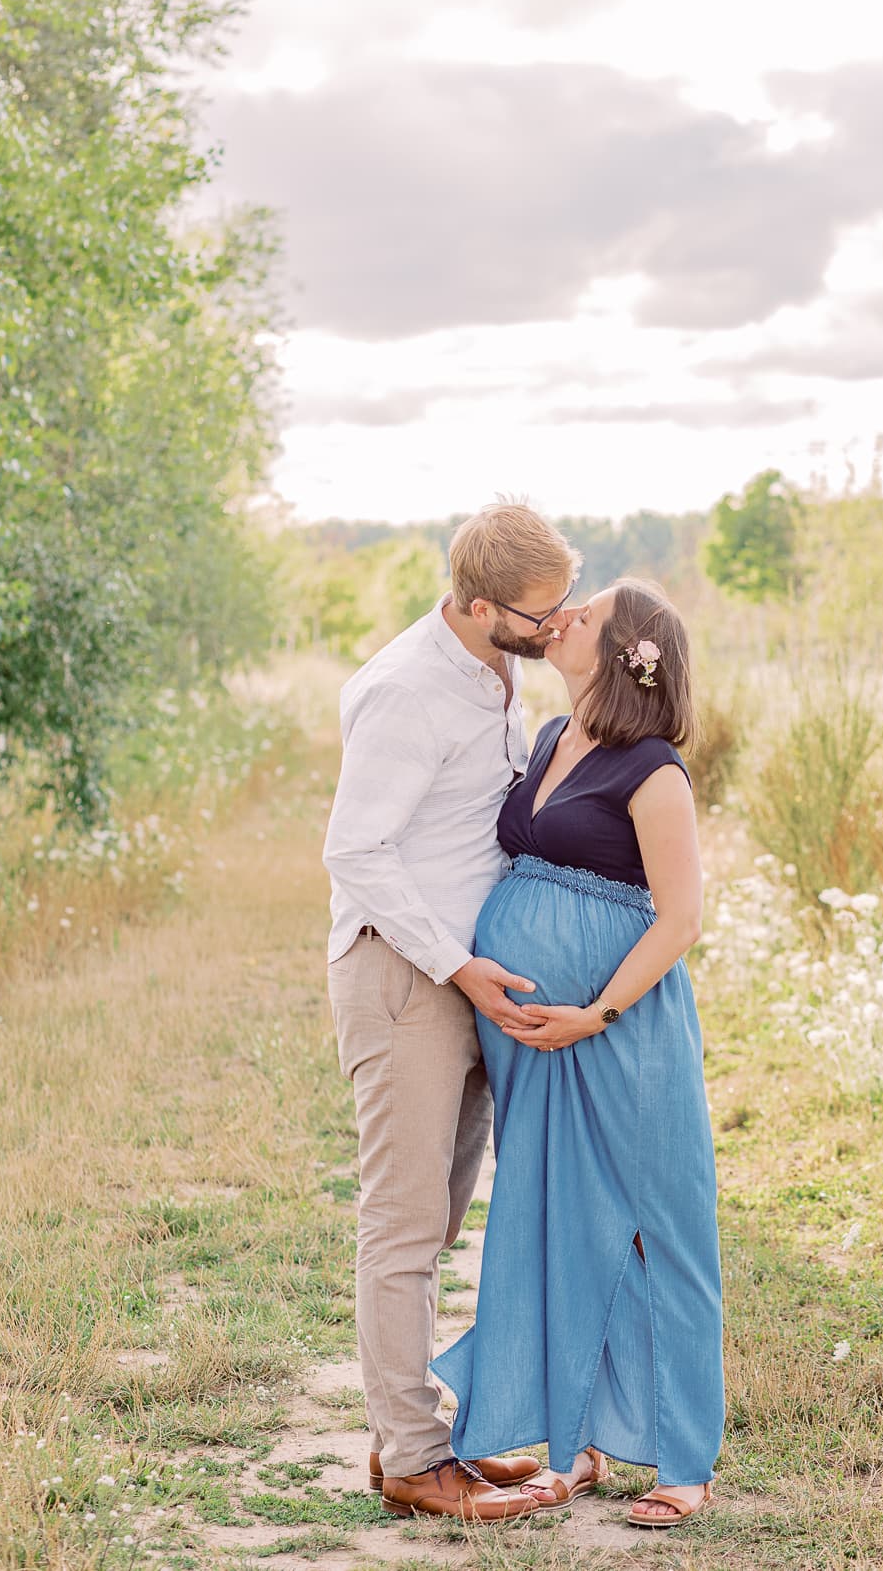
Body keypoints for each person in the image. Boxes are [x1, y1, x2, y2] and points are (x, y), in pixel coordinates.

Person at [431, 578, 725, 1529]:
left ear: (628, 652)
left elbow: (680, 917)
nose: (565, 617)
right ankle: (575, 1447)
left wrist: (592, 1012)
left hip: (617, 1027)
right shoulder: (554, 738)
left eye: (587, 614)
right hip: (528, 1037)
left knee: (655, 1222)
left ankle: (684, 1459)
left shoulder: (656, 771)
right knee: (555, 1214)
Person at [322, 502, 581, 1523]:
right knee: (401, 1222)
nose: (558, 623)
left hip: (468, 974)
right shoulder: (405, 691)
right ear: (481, 607)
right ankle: (415, 1461)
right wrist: (458, 966)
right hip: (405, 975)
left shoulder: (499, 668)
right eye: (541, 611)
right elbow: (355, 852)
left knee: (437, 1225)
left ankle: (417, 1439)